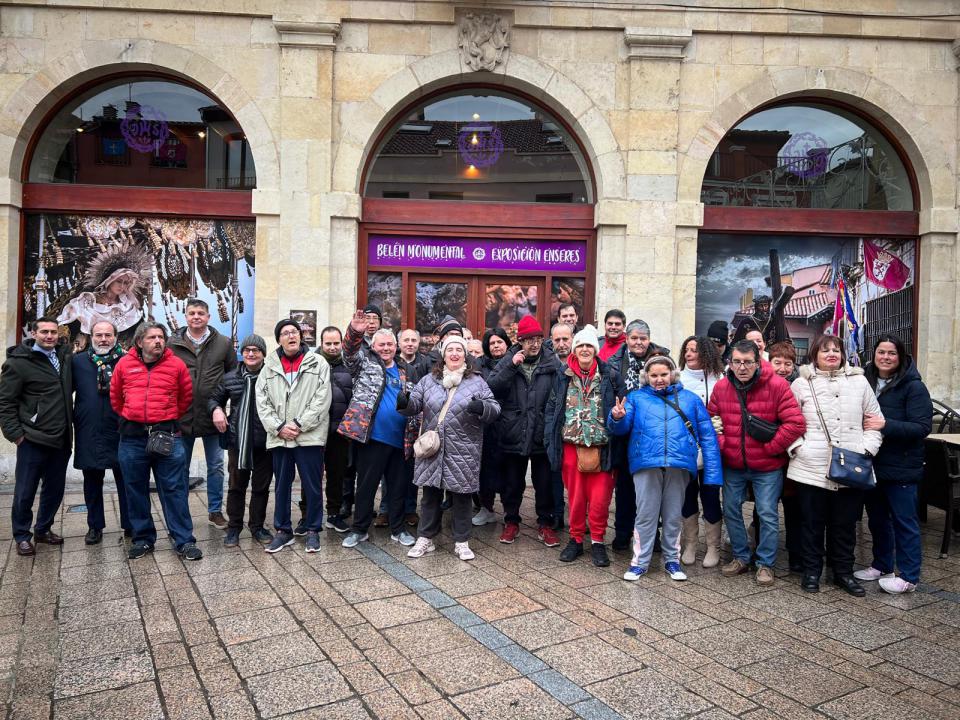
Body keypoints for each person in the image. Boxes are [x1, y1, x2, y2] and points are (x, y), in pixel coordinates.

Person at [608, 355, 721, 582]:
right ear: (646, 377)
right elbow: (620, 429)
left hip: (678, 465)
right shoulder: (636, 398)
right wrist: (616, 418)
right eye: (654, 375)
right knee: (645, 516)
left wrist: (712, 474)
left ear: (672, 374)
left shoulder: (690, 400)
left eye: (663, 374)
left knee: (672, 516)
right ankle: (639, 562)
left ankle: (672, 560)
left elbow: (708, 438)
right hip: (646, 464)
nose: (659, 379)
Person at [788, 335, 883, 596]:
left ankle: (843, 572)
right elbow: (788, 421)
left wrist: (866, 449)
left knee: (844, 523)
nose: (831, 354)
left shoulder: (860, 382)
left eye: (836, 350)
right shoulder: (801, 384)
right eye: (825, 350)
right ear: (815, 355)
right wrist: (798, 448)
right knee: (811, 523)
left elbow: (874, 421)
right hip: (811, 466)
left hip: (851, 465)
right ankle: (811, 571)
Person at [708, 340, 806, 585]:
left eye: (748, 362)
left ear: (758, 361)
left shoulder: (777, 386)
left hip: (767, 466)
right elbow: (710, 420)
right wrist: (723, 445)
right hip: (733, 464)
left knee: (767, 514)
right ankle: (741, 557)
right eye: (737, 362)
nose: (742, 367)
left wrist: (772, 449)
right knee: (730, 509)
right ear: (730, 362)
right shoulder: (721, 388)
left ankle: (765, 563)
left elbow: (795, 424)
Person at [399, 336, 500, 560]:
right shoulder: (428, 380)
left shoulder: (477, 381)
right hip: (433, 447)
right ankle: (425, 538)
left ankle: (462, 542)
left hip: (464, 449)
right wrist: (404, 401)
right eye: (450, 350)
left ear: (465, 355)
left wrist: (481, 406)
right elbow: (414, 405)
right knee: (430, 495)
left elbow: (494, 408)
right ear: (443, 355)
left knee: (462, 497)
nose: (454, 353)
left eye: (459, 350)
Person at [110, 322, 201, 560]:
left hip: (167, 436)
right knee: (135, 489)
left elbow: (185, 397)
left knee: (174, 490)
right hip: (132, 439)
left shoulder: (176, 365)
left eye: (161, 337)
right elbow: (116, 398)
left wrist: (164, 418)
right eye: (152, 337)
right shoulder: (124, 364)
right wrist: (136, 416)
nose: (158, 341)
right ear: (140, 342)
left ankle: (184, 540)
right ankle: (143, 539)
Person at [856, 334, 932, 594]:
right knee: (877, 520)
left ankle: (909, 576)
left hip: (902, 466)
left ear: (900, 357)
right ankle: (882, 564)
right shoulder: (864, 379)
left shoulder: (913, 386)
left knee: (904, 522)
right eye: (881, 352)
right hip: (872, 464)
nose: (885, 358)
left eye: (891, 353)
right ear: (873, 354)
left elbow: (922, 427)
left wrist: (885, 425)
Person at [545, 325, 623, 567]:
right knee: (576, 498)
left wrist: (619, 416)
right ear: (575, 349)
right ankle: (576, 539)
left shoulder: (610, 374)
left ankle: (598, 541)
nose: (585, 349)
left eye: (590, 345)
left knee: (600, 500)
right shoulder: (562, 375)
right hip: (571, 445)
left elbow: (623, 405)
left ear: (595, 349)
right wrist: (550, 439)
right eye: (581, 345)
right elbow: (552, 410)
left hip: (603, 447)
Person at [339, 312, 417, 549]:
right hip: (372, 437)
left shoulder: (407, 370)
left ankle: (398, 529)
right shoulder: (365, 363)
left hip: (401, 440)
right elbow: (349, 353)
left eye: (390, 344)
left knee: (398, 488)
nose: (386, 348)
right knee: (366, 486)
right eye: (381, 344)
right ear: (373, 346)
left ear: (396, 347)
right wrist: (354, 331)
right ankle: (359, 529)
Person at [256, 319, 331, 553]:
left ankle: (312, 530)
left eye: (295, 332)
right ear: (279, 339)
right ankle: (283, 530)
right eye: (286, 333)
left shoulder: (317, 363)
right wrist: (279, 427)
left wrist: (299, 424)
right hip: (280, 437)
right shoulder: (268, 366)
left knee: (312, 485)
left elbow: (322, 399)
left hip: (309, 436)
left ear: (301, 337)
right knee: (281, 486)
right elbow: (262, 402)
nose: (291, 336)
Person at [0, 317, 73, 556]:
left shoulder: (64, 357)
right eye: (44, 332)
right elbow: (6, 402)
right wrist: (16, 435)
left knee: (55, 489)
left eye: (53, 332)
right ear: (33, 333)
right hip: (32, 438)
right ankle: (22, 535)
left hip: (60, 438)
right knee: (25, 490)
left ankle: (43, 529)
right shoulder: (18, 363)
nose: (49, 336)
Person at [487, 315, 560, 546]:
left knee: (544, 483)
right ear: (520, 341)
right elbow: (491, 387)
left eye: (538, 339)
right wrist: (511, 365)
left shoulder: (553, 362)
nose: (534, 344)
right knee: (512, 483)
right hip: (513, 432)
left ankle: (545, 524)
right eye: (529, 340)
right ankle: (511, 522)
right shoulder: (509, 360)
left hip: (541, 433)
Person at [168, 298, 236, 529]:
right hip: (182, 416)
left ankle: (215, 511)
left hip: (213, 416)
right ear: (185, 317)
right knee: (180, 467)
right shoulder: (171, 344)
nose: (196, 317)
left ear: (208, 317)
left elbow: (232, 378)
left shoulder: (224, 343)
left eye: (200, 313)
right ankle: (181, 514)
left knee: (216, 465)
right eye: (191, 313)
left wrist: (221, 407)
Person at [607, 319, 670, 552]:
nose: (638, 343)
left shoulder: (661, 359)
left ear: (649, 339)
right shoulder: (614, 363)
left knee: (652, 489)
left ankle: (651, 536)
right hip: (625, 433)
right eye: (634, 338)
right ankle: (623, 533)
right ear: (626, 339)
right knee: (624, 488)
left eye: (643, 338)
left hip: (652, 433)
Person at [208, 334, 273, 547]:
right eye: (247, 350)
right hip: (238, 441)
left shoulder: (272, 376)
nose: (251, 354)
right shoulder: (230, 377)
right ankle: (234, 528)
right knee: (236, 486)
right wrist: (217, 409)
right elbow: (214, 398)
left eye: (256, 350)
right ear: (242, 353)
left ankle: (257, 527)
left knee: (261, 488)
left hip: (265, 442)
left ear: (263, 354)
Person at [72, 320, 129, 545]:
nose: (103, 339)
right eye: (98, 335)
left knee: (126, 480)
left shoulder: (127, 361)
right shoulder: (77, 362)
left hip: (121, 429)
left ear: (115, 336)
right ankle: (94, 526)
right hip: (89, 430)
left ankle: (130, 524)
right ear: (91, 336)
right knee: (92, 482)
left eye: (107, 335)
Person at [293, 326, 354, 535]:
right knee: (311, 475)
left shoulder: (349, 365)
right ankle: (307, 515)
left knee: (337, 474)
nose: (332, 347)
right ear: (321, 342)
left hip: (339, 430)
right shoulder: (309, 364)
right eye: (328, 343)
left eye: (336, 343)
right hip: (313, 429)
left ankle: (334, 514)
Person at [677, 335, 725, 567]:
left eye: (694, 350)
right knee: (687, 496)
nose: (688, 354)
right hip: (686, 449)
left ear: (706, 352)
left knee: (711, 497)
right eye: (686, 350)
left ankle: (713, 547)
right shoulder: (678, 379)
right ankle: (690, 544)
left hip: (712, 450)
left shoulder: (721, 380)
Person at [473, 328, 510, 526]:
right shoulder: (479, 366)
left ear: (507, 343)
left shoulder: (515, 363)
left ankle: (509, 510)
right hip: (486, 425)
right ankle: (486, 508)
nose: (496, 346)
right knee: (485, 470)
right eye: (492, 343)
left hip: (509, 424)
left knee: (508, 471)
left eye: (500, 342)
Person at [547, 321, 574, 526]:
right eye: (557, 340)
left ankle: (579, 516)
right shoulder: (547, 364)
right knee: (554, 474)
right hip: (555, 427)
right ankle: (557, 514)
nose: (562, 343)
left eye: (566, 339)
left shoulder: (583, 362)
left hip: (577, 428)